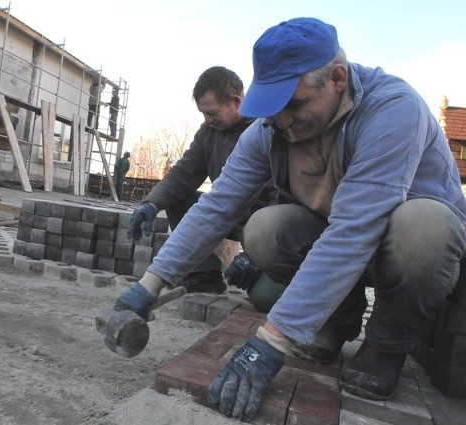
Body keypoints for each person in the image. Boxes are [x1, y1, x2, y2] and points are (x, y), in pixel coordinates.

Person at [112, 17, 466, 423]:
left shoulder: (392, 110)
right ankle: (335, 322)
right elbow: (217, 205)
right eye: (275, 108)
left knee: (423, 229)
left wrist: (272, 340)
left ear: (337, 78)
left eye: (294, 105)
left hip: (409, 245)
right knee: (266, 230)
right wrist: (150, 284)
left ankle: (385, 346)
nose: (283, 121)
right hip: (343, 238)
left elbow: (354, 231)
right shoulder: (270, 128)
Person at [127, 66, 274, 295]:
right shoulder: (208, 132)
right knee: (178, 199)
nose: (207, 120)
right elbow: (183, 173)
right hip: (228, 215)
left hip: (263, 225)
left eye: (212, 113)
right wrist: (151, 203)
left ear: (236, 101)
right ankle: (204, 275)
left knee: (265, 296)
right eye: (203, 114)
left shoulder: (267, 129)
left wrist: (257, 255)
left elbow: (283, 201)